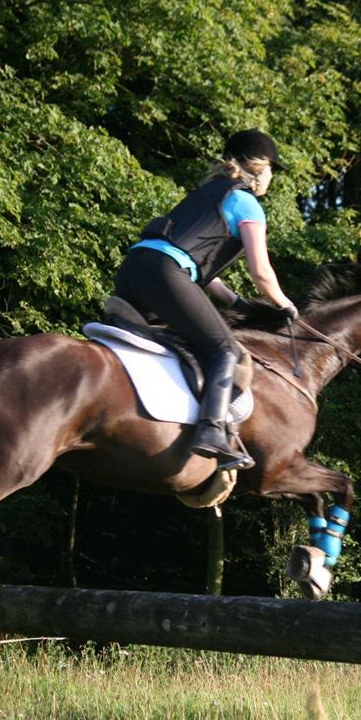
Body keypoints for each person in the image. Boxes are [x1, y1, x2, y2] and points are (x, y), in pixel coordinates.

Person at [114, 129, 299, 471]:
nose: (272, 176)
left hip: (132, 270)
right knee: (224, 349)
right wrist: (284, 303)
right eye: (273, 168)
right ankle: (211, 432)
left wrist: (236, 301)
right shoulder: (247, 203)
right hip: (165, 273)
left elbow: (199, 266)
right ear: (260, 167)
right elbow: (262, 272)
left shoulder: (206, 194)